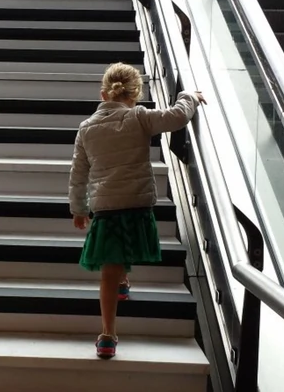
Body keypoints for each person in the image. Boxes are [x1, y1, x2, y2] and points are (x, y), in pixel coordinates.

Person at [69, 62, 204, 359]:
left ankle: (107, 335)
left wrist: (78, 208)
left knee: (108, 267)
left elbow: (78, 173)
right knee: (124, 248)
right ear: (136, 95)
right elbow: (176, 116)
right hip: (136, 202)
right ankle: (124, 281)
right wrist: (189, 96)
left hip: (106, 206)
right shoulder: (139, 117)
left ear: (103, 94)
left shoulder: (86, 128)